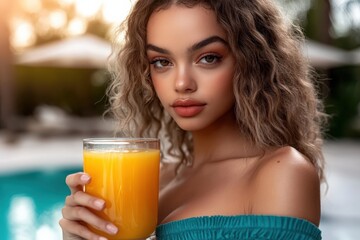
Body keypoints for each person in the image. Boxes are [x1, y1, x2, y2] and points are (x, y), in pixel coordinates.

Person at [59, 0, 327, 239]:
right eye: (162, 62)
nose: (182, 83)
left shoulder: (281, 173)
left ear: (251, 62)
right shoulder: (156, 177)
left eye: (208, 58)